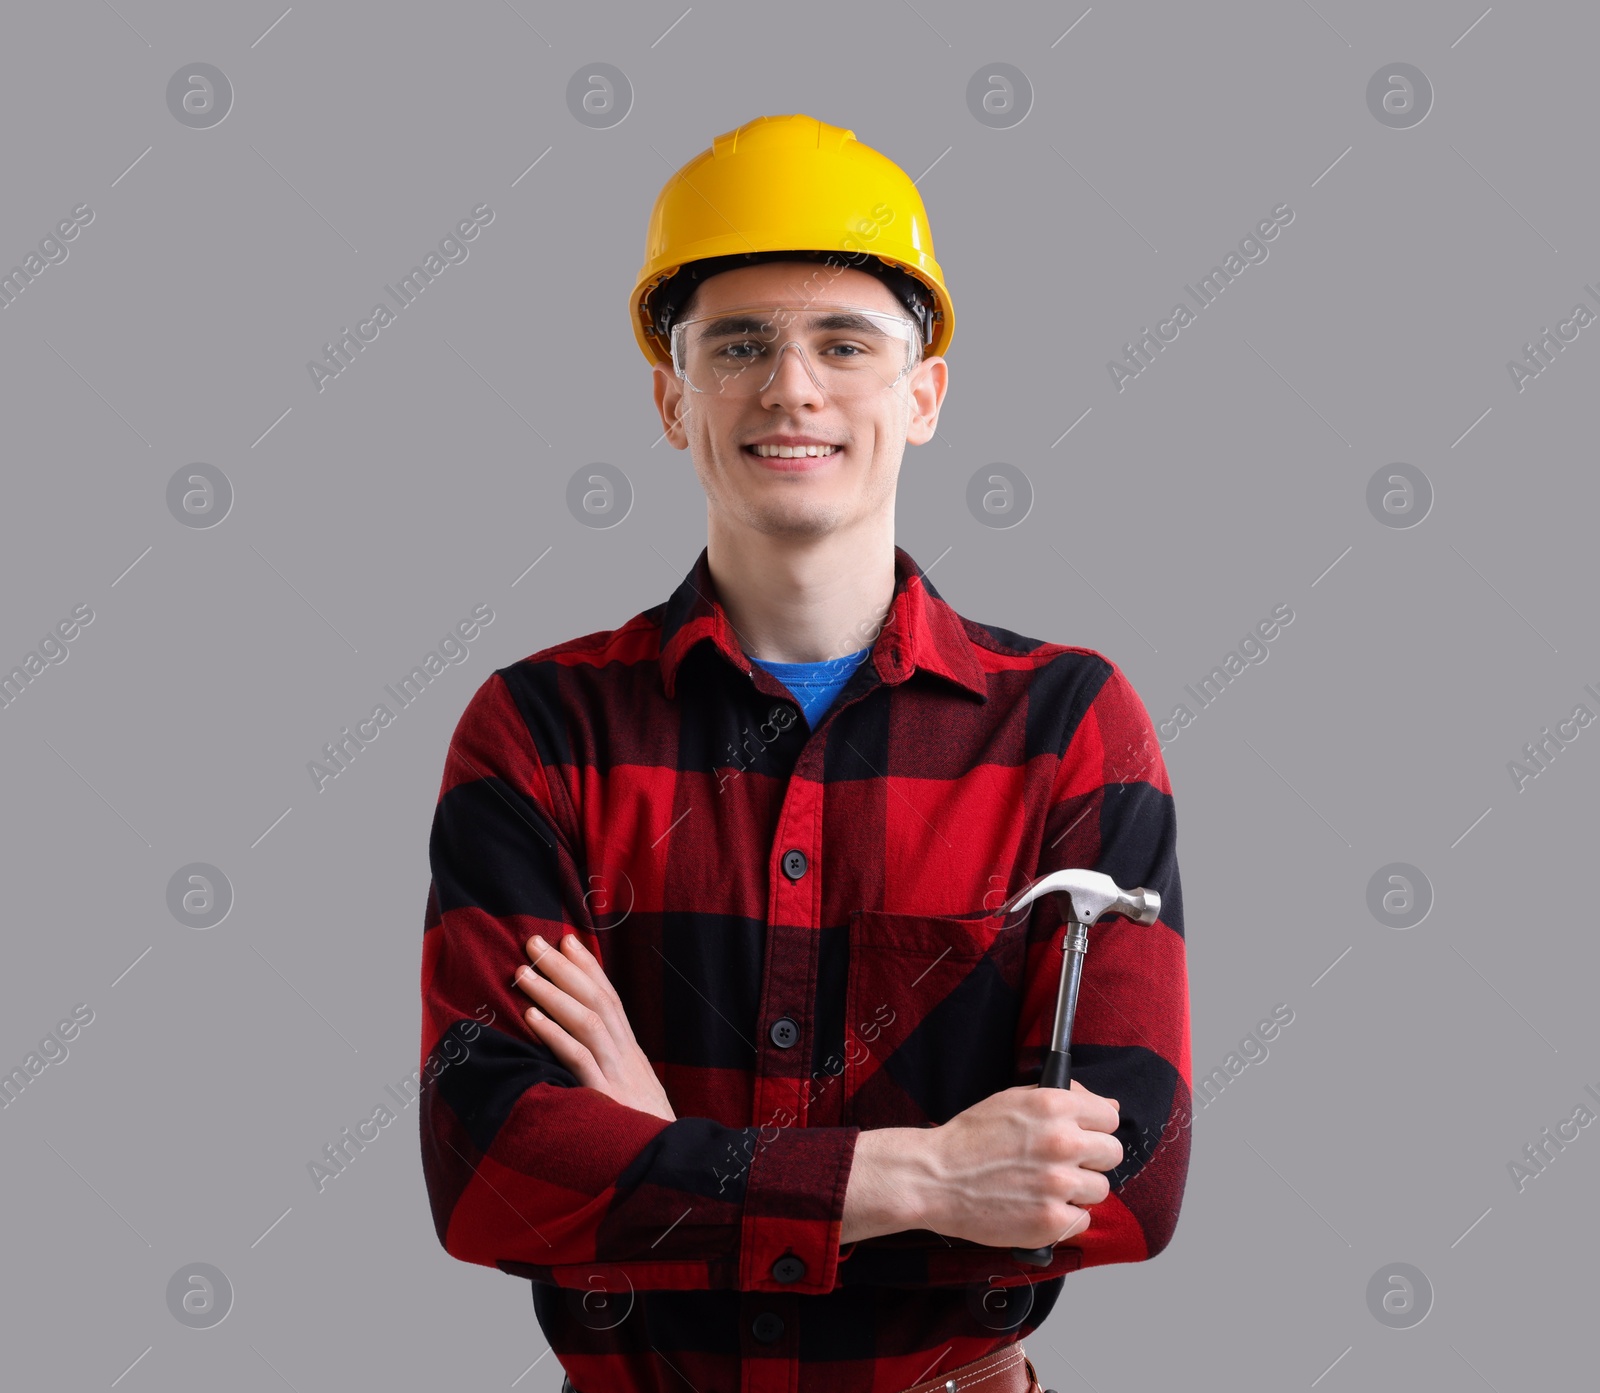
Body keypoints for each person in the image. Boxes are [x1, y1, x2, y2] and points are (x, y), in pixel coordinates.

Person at [418, 113, 1190, 1393]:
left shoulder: (1068, 726)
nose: (791, 388)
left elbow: (1128, 1188)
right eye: (738, 345)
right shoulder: (541, 731)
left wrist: (665, 1157)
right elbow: (490, 1173)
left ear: (923, 394)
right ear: (673, 398)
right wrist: (929, 1174)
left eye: (844, 342)